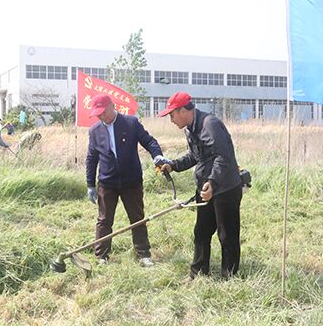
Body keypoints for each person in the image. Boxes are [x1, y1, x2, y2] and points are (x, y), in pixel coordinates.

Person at [158, 92, 242, 279]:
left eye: (172, 115)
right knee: (201, 232)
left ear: (183, 110)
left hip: (225, 188)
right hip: (206, 188)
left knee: (227, 235)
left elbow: (223, 157)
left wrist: (212, 182)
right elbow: (195, 156)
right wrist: (173, 165)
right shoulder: (190, 129)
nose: (171, 120)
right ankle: (198, 273)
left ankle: (229, 276)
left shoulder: (209, 125)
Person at [85, 94, 169, 267]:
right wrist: (90, 184)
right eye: (98, 114)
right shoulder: (94, 131)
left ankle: (143, 254)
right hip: (107, 182)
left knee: (137, 217)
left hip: (131, 181)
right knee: (104, 220)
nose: (101, 116)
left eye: (103, 112)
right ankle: (102, 257)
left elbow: (149, 141)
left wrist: (157, 156)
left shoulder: (130, 123)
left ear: (112, 106)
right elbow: (91, 158)